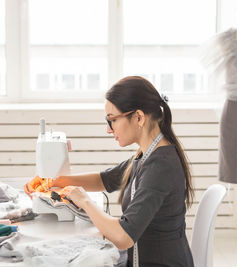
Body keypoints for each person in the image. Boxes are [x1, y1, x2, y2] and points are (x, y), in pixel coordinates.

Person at [51, 76, 194, 267]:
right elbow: (104, 180)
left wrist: (84, 201)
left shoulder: (160, 166)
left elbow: (123, 237)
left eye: (112, 120)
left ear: (138, 118)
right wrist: (54, 181)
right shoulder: (148, 154)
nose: (109, 130)